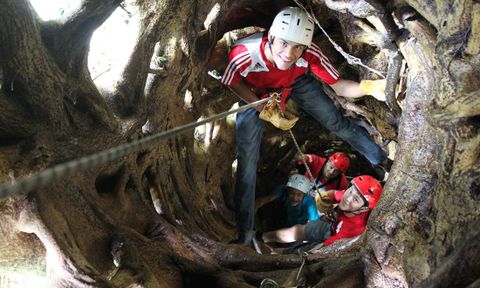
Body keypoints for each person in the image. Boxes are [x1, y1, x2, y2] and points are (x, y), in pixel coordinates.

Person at [222, 6, 389, 245]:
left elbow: (339, 86)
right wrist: (263, 108)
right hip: (256, 93)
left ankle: (378, 159)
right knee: (248, 160)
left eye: (298, 47)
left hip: (295, 82)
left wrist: (368, 88)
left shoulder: (309, 53)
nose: (289, 53)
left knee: (335, 121)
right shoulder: (243, 53)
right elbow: (232, 81)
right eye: (283, 43)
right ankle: (246, 231)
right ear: (271, 37)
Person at [260, 175, 383, 249]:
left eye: (356, 199)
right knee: (299, 230)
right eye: (350, 191)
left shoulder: (353, 229)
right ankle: (261, 237)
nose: (348, 198)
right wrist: (323, 199)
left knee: (304, 253)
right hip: (332, 221)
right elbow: (333, 194)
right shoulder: (348, 197)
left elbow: (326, 249)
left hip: (336, 238)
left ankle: (277, 255)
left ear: (363, 208)